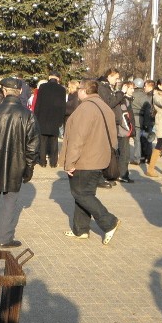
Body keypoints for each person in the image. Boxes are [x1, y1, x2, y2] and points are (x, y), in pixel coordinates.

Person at [0, 77, 39, 248]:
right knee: (10, 202)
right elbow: (33, 146)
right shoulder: (27, 115)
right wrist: (29, 167)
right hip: (16, 165)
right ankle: (5, 238)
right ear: (19, 92)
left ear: (4, 91)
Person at [60, 79, 121, 244]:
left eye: (79, 88)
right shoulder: (104, 107)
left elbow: (77, 138)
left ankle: (109, 222)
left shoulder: (86, 108)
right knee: (84, 193)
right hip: (99, 158)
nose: (77, 91)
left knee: (81, 194)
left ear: (84, 90)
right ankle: (81, 229)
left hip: (85, 160)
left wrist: (69, 162)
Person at [33, 72, 66, 168]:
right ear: (58, 79)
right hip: (55, 118)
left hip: (43, 117)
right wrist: (61, 119)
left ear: (49, 77)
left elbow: (38, 103)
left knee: (42, 140)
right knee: (54, 140)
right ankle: (53, 162)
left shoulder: (43, 87)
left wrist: (36, 116)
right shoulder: (62, 90)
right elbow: (63, 106)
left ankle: (42, 161)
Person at [130, 77, 151, 164]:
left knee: (131, 139)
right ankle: (140, 157)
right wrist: (146, 123)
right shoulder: (146, 97)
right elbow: (147, 112)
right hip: (141, 119)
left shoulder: (131, 94)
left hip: (130, 118)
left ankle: (134, 158)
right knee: (139, 139)